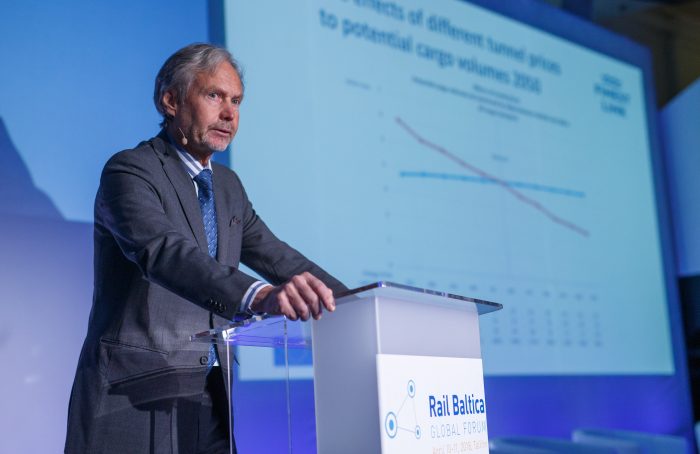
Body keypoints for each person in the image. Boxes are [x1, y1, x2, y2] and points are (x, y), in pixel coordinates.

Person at [65, 43, 347, 454]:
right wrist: (258, 295)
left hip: (208, 398)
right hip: (132, 395)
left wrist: (355, 303)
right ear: (171, 100)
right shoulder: (130, 170)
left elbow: (277, 255)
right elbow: (162, 252)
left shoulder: (228, 187)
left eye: (237, 101)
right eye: (215, 95)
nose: (229, 113)